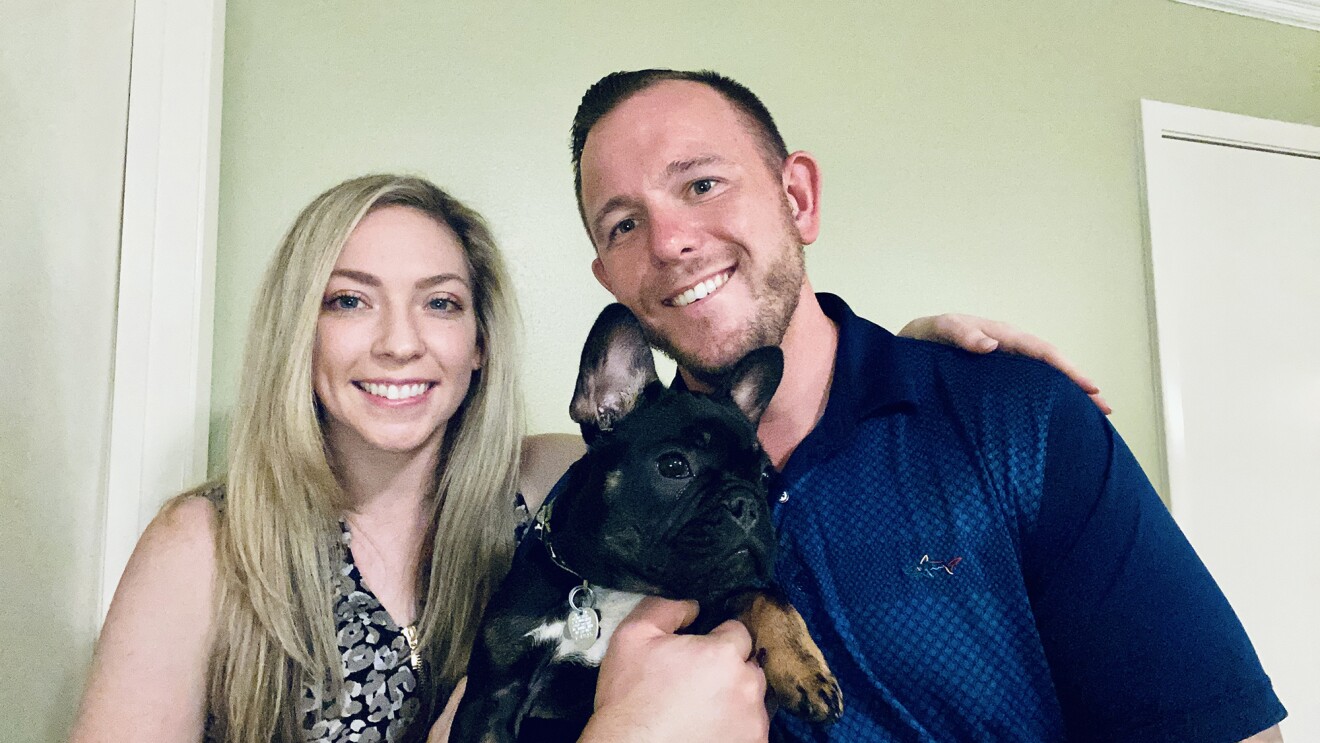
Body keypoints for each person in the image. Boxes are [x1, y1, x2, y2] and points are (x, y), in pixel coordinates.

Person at [69, 171, 1079, 743]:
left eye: (440, 303)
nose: (398, 341)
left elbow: (709, 440)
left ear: (481, 342)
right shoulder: (206, 544)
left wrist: (917, 361)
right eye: (348, 298)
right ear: (298, 326)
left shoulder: (551, 485)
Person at [563, 69, 1287, 742]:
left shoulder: (1018, 421)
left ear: (799, 198)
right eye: (623, 224)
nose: (670, 241)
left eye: (701, 184)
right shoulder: (590, 509)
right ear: (606, 275)